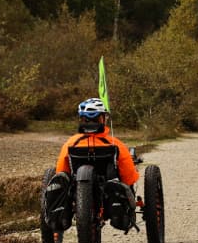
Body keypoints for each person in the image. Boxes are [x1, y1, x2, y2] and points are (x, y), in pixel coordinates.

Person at [47, 98, 140, 230]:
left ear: (82, 119)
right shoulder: (115, 144)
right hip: (109, 194)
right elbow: (129, 177)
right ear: (102, 119)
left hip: (78, 194)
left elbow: (62, 173)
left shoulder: (70, 144)